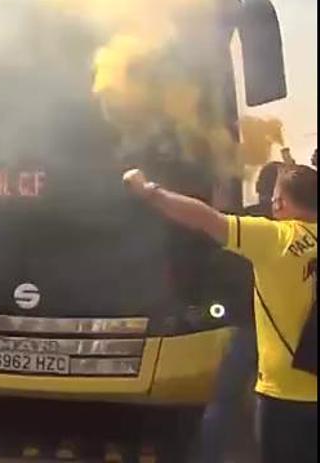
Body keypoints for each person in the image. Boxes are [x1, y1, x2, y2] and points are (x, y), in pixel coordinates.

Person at [123, 164, 317, 463]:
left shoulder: (275, 238)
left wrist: (150, 192)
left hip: (284, 393)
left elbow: (204, 218)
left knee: (224, 404)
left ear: (279, 203)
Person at [196, 161, 281, 463]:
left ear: (260, 188)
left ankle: (210, 456)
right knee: (277, 402)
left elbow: (215, 268)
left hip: (245, 324)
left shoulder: (240, 222)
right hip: (285, 331)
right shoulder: (297, 226)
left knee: (223, 402)